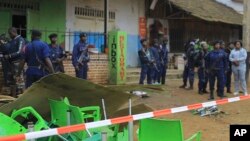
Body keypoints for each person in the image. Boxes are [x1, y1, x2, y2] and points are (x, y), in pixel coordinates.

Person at [4, 27, 26, 96]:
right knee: (13, 82)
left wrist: (9, 56)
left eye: (10, 33)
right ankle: (13, 98)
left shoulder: (20, 39)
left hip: (18, 63)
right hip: (11, 64)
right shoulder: (12, 40)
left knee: (19, 82)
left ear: (14, 32)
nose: (9, 35)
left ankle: (23, 97)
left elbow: (19, 51)